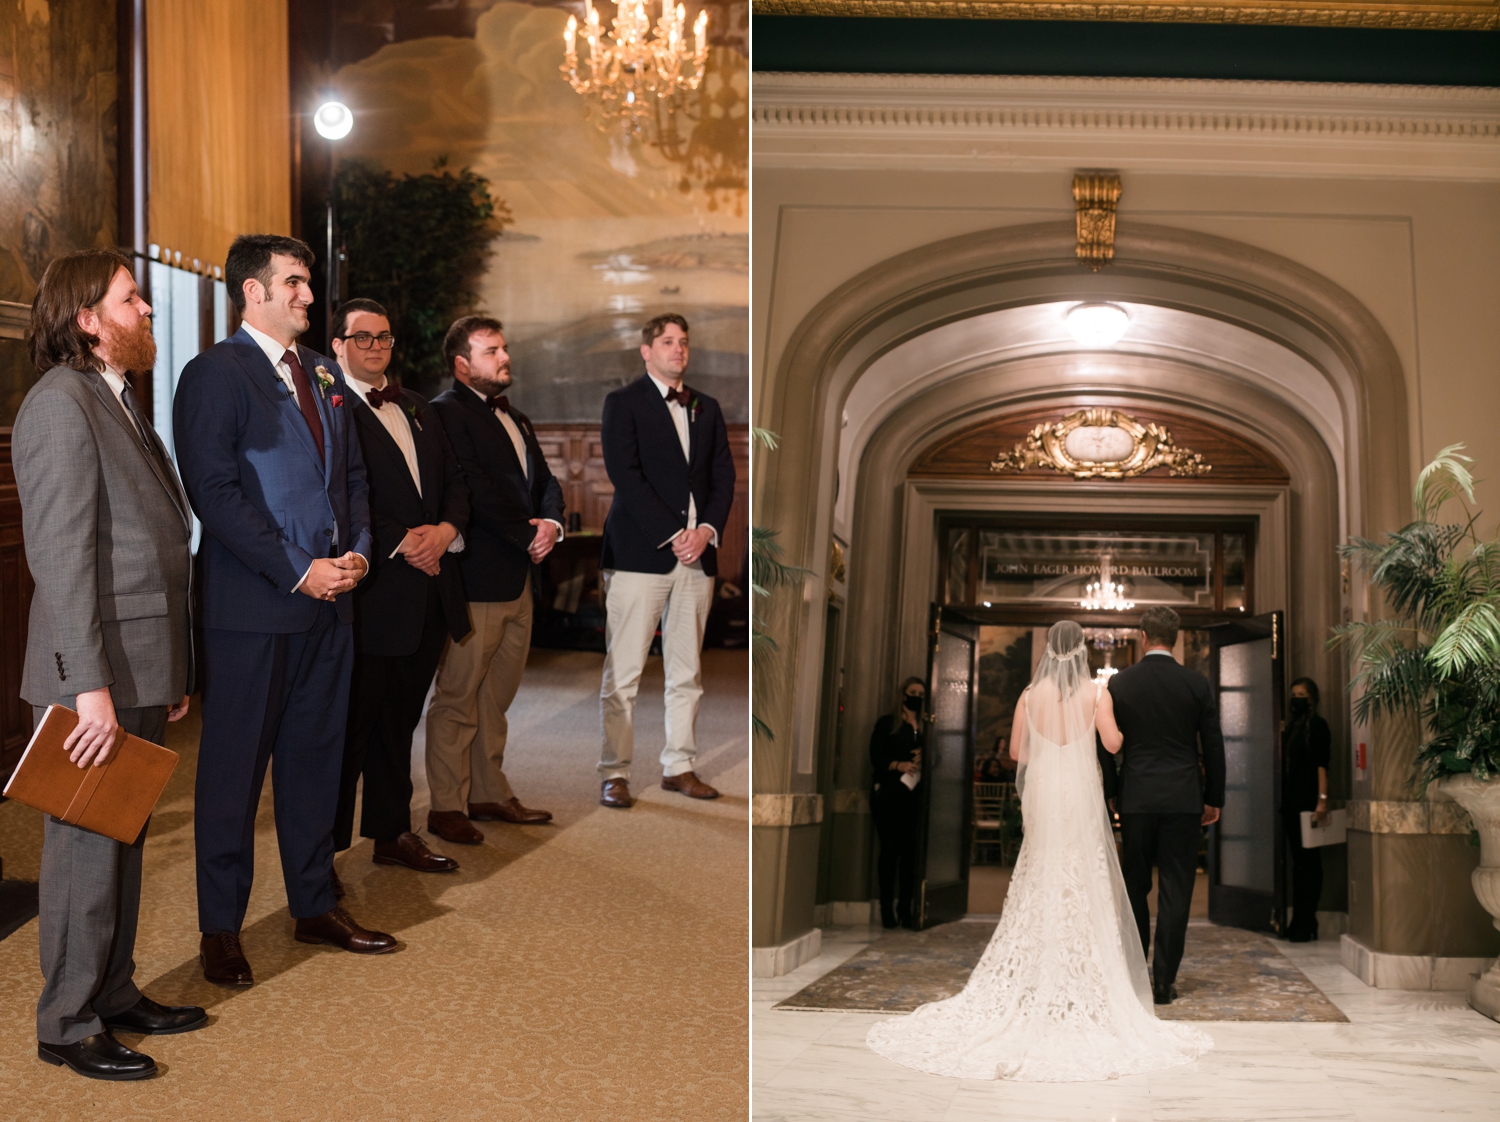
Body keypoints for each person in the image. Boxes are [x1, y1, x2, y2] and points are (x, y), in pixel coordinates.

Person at [174, 234, 395, 987]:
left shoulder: (325, 374)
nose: (308, 295)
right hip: (254, 610)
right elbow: (215, 494)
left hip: (332, 611)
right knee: (233, 777)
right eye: (294, 284)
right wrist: (298, 570)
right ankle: (220, 930)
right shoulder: (213, 374)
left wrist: (359, 554)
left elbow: (355, 479)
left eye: (306, 283)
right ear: (254, 292)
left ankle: (313, 904)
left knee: (315, 767)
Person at [867, 622, 1212, 1082]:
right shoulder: (1096, 692)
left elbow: (1016, 751)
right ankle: (1086, 978)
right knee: (1083, 874)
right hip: (1081, 794)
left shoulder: (1029, 695)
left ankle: (1033, 974)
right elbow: (1113, 743)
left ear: (1050, 649)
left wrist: (1049, 748)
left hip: (1047, 792)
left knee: (1042, 872)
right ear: (1082, 650)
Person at [17, 249, 205, 1080]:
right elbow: (59, 561)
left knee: (122, 837)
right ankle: (65, 1020)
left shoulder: (117, 397)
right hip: (88, 675)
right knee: (85, 851)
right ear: (89, 318)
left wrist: (166, 669)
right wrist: (89, 687)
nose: (148, 312)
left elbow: (150, 541)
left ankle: (114, 991)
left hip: (135, 663)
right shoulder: (60, 405)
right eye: (134, 300)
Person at [331, 298, 472, 875]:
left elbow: (454, 481)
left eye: (383, 337)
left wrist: (444, 531)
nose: (375, 347)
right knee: (349, 732)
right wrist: (402, 541)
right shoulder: (328, 405)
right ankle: (325, 855)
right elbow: (337, 495)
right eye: (361, 338)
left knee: (399, 724)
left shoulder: (416, 404)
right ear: (338, 346)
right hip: (372, 593)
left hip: (429, 594)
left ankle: (391, 831)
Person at [425, 315, 563, 843]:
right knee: (459, 695)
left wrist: (550, 522)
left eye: (503, 348)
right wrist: (525, 533)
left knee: (496, 697)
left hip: (520, 576)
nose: (503, 358)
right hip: (476, 574)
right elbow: (471, 489)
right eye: (490, 351)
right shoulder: (445, 414)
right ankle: (445, 805)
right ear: (462, 364)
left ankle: (487, 791)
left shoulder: (518, 417)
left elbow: (545, 481)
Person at [596, 314, 736, 808]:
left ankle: (679, 765)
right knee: (625, 672)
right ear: (647, 351)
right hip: (640, 555)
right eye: (669, 342)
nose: (679, 350)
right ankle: (614, 772)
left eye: (684, 343)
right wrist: (675, 534)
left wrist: (706, 533)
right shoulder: (623, 403)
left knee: (687, 672)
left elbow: (723, 478)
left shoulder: (707, 407)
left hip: (698, 559)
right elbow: (625, 476)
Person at [1107, 605, 1226, 1005]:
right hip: (1182, 798)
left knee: (1136, 886)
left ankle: (1138, 974)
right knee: (1177, 889)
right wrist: (1214, 798)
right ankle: (1163, 982)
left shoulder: (1120, 684)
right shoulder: (1195, 684)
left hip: (1137, 796)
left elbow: (1105, 746)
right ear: (1175, 639)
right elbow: (1213, 744)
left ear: (1143, 637)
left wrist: (1111, 791)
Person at [869, 677, 924, 930]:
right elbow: (875, 756)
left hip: (914, 795)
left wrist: (924, 755)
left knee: (910, 853)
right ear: (903, 695)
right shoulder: (888, 722)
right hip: (889, 793)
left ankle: (906, 908)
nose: (917, 697)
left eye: (921, 693)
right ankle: (886, 908)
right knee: (890, 851)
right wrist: (898, 764)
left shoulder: (924, 726)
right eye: (913, 692)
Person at [1284, 676, 1331, 942]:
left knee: (1310, 865)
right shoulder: (1292, 729)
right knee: (1299, 865)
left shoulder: (1318, 726)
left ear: (1311, 698)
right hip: (1292, 803)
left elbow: (1321, 764)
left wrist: (1322, 799)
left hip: (1309, 803)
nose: (1296, 699)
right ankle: (1300, 920)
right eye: (1293, 694)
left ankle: (1307, 920)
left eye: (1301, 694)